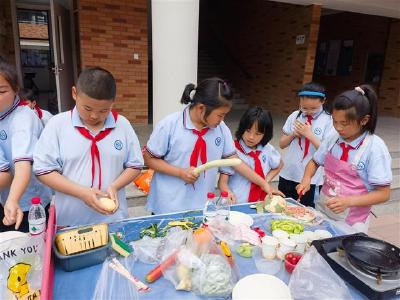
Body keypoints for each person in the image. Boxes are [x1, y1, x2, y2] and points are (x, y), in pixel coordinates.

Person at [143, 78, 274, 214]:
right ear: (201, 108)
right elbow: (149, 159)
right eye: (220, 115)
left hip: (202, 206)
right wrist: (180, 173)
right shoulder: (170, 125)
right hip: (169, 206)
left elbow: (235, 161)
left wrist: (263, 183)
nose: (222, 120)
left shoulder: (221, 129)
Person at [33, 67, 144, 227]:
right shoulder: (58, 125)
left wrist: (115, 185)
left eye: (104, 110)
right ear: (74, 93)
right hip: (70, 222)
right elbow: (43, 171)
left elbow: (135, 164)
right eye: (87, 108)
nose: (94, 116)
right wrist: (82, 193)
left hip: (113, 220)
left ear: (113, 102)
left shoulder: (122, 124)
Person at [297, 85, 392, 233]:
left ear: (364, 120)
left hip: (352, 221)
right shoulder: (333, 137)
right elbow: (315, 161)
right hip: (324, 208)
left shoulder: (375, 148)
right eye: (335, 121)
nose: (338, 128)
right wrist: (306, 178)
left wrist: (348, 201)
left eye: (344, 123)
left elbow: (384, 193)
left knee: (342, 253)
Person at [0, 57, 52, 232]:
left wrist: (13, 199)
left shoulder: (23, 117)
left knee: (33, 252)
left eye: (1, 91)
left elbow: (23, 165)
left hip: (30, 205)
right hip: (6, 201)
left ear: (15, 89)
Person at [278, 82, 333, 207]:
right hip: (288, 173)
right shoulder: (294, 116)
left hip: (311, 180)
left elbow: (328, 152)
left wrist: (309, 135)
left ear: (323, 101)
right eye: (304, 108)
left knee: (305, 213)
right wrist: (293, 134)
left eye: (313, 109)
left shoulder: (329, 121)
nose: (308, 112)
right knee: (283, 209)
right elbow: (281, 144)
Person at [218, 107, 283, 203]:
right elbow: (222, 182)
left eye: (258, 134)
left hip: (260, 203)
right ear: (242, 128)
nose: (251, 137)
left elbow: (279, 164)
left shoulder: (267, 149)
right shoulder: (232, 151)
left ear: (265, 134)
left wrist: (265, 181)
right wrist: (227, 192)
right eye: (248, 131)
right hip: (237, 203)